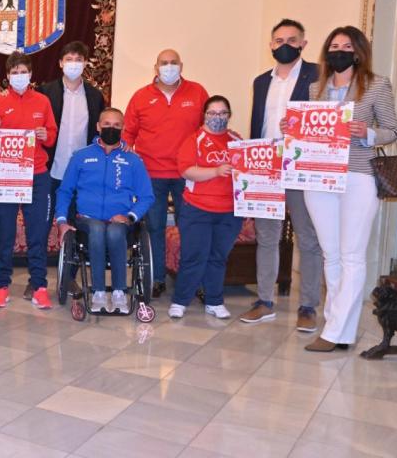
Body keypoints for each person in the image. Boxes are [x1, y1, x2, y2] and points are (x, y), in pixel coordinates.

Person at [301, 26, 397, 352]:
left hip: (358, 176)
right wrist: (293, 127)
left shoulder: (376, 85)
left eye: (345, 46)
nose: (338, 51)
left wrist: (367, 132)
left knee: (352, 255)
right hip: (319, 176)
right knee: (332, 254)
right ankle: (338, 328)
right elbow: (310, 131)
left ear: (357, 52)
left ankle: (334, 331)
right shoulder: (316, 88)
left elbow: (392, 130)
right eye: (333, 45)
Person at [240, 19, 323, 329]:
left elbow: (325, 120)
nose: (284, 44)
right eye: (278, 40)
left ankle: (308, 305)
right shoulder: (261, 80)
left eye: (291, 39)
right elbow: (257, 123)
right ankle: (264, 300)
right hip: (265, 165)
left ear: (303, 43)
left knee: (307, 237)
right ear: (271, 45)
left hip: (302, 165)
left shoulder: (318, 76)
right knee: (267, 236)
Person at [123, 49, 209, 298]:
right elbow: (128, 134)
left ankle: (195, 281)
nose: (169, 67)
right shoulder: (141, 97)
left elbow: (208, 128)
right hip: (151, 174)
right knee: (154, 227)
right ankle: (156, 278)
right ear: (156, 67)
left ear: (181, 66)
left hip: (188, 174)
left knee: (191, 228)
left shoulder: (198, 93)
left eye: (173, 63)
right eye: (164, 63)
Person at [55, 108, 154, 313]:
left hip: (120, 221)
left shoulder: (133, 160)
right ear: (98, 127)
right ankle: (99, 292)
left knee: (115, 230)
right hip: (87, 220)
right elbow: (65, 191)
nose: (111, 128)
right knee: (99, 229)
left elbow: (146, 196)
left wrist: (130, 216)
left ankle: (119, 293)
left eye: (117, 125)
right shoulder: (81, 156)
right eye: (107, 124)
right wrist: (62, 220)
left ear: (123, 128)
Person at [36, 40, 106, 299]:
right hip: (50, 171)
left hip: (81, 177)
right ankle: (38, 280)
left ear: (85, 64)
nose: (74, 63)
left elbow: (99, 136)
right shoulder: (46, 92)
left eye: (79, 59)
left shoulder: (95, 96)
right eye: (69, 59)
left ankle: (69, 280)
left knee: (76, 230)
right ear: (61, 63)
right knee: (41, 228)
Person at [0, 52, 57, 309]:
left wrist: (44, 134)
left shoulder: (43, 101)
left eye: (23, 71)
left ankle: (39, 286)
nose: (19, 76)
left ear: (31, 74)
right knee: (5, 233)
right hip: (6, 175)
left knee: (36, 233)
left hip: (36, 174)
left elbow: (51, 136)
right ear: (7, 76)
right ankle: (2, 285)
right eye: (14, 72)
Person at [169, 96, 242, 320]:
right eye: (212, 113)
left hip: (229, 210)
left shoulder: (237, 140)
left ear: (229, 115)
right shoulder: (194, 140)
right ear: (204, 115)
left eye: (222, 113)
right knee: (193, 256)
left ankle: (215, 300)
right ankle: (180, 301)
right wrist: (216, 171)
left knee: (218, 257)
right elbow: (187, 171)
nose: (217, 118)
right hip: (197, 208)